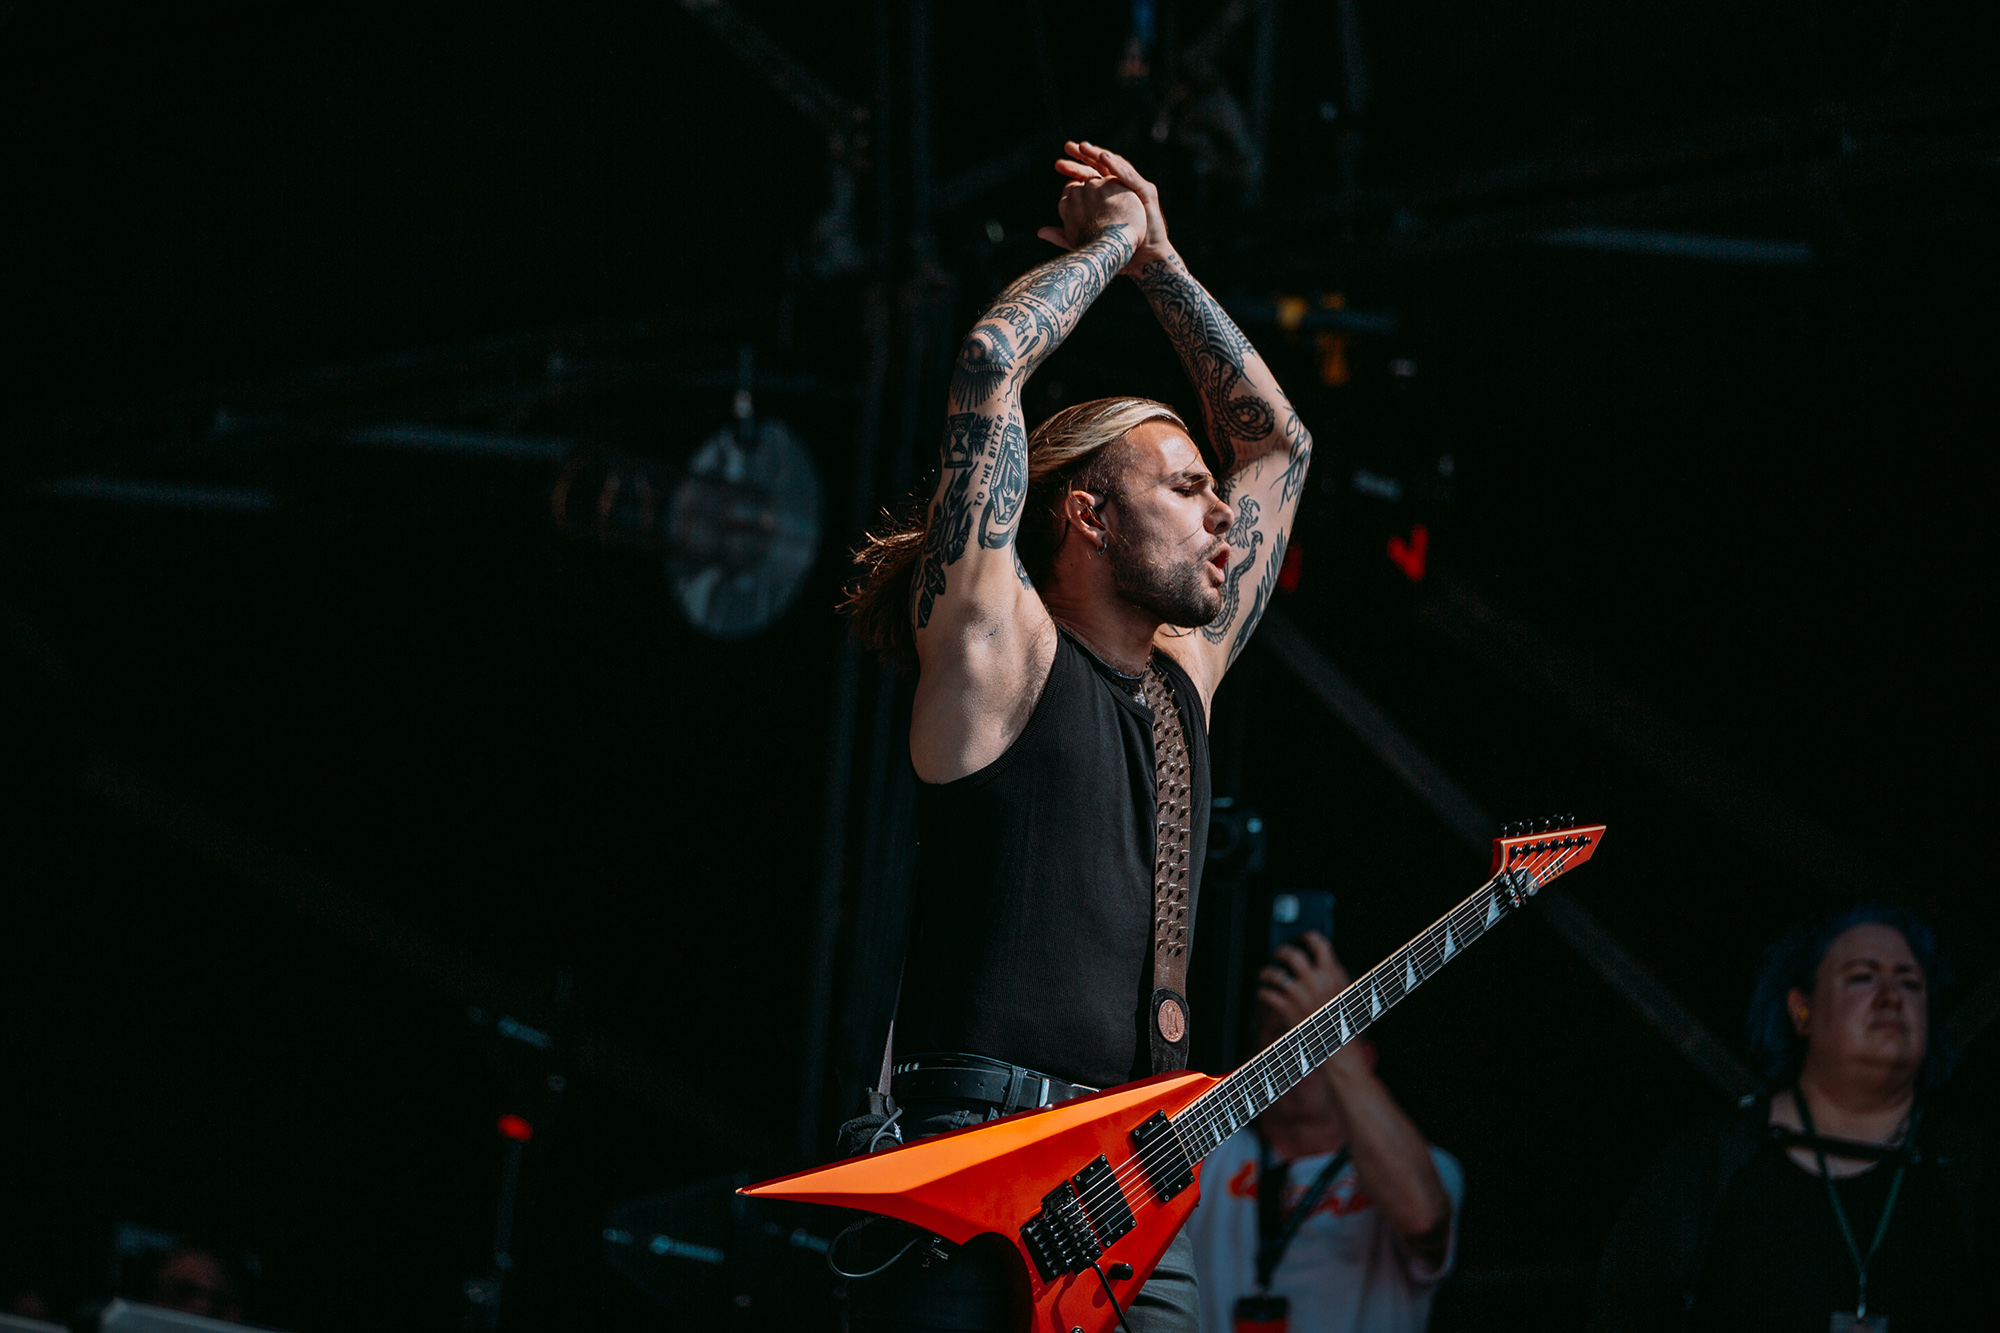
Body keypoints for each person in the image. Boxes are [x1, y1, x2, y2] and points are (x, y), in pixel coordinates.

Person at [838, 141, 1313, 1332]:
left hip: (1130, 1196)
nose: (1221, 512)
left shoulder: (1181, 681)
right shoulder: (996, 650)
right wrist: (1107, 246)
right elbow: (991, 363)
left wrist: (1162, 263)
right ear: (1087, 517)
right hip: (975, 1172)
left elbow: (1279, 449)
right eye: (1183, 488)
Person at [1590, 905, 1993, 1332]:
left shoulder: (1975, 1166)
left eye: (1911, 983)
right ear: (1802, 1011)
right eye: (1863, 976)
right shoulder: (1710, 1163)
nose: (1892, 996)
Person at [1187, 931, 1461, 1333]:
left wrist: (1336, 1033)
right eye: (1284, 1031)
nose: (1302, 1049)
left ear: (1363, 1058)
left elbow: (1424, 1220)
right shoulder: (1210, 1157)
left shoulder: (1430, 1166)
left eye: (1323, 1035)